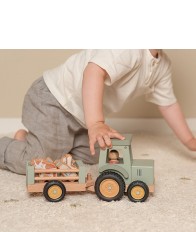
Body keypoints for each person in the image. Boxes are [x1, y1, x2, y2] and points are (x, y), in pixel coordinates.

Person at [1, 49, 196, 175]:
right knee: (40, 163)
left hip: (81, 117)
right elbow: (94, 71)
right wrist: (96, 123)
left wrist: (189, 142)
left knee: (96, 156)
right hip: (54, 100)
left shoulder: (163, 65)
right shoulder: (128, 47)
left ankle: (33, 140)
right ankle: (21, 147)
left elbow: (168, 104)